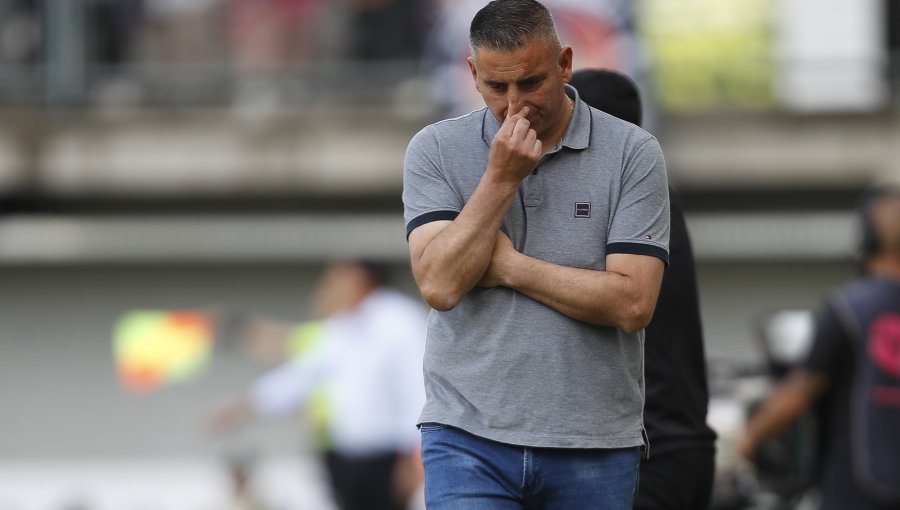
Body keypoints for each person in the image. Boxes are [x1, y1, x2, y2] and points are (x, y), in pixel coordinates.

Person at [402, 1, 670, 508]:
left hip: (594, 442)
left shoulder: (632, 152)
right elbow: (439, 284)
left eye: (531, 83)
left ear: (566, 64)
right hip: (466, 437)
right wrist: (501, 178)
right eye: (496, 87)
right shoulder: (434, 149)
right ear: (472, 74)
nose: (515, 104)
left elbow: (633, 304)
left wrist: (507, 266)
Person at [569, 68, 717, 510]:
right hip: (676, 447)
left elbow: (625, 304)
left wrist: (506, 265)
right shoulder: (653, 198)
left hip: (646, 454)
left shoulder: (626, 200)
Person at [209, 259, 427, 510]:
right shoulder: (340, 327)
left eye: (335, 279)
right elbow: (299, 376)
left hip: (388, 458)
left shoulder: (400, 321)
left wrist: (416, 452)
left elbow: (418, 388)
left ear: (361, 278)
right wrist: (241, 408)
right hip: (343, 458)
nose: (328, 287)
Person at [737, 187, 900, 510]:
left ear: (866, 239)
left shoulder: (847, 309)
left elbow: (799, 392)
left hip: (856, 491)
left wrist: (748, 440)